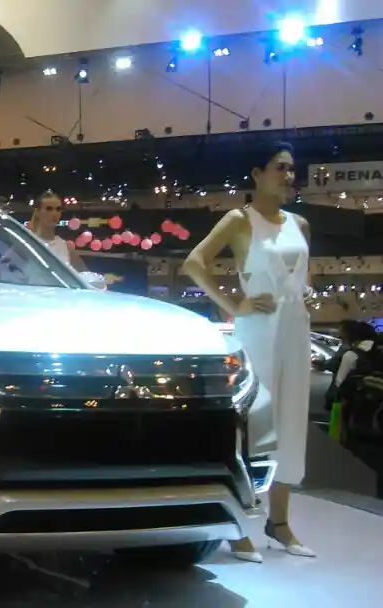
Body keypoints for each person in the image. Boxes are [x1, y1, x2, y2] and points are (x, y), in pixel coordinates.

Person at [183, 141, 315, 562]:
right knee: (250, 424)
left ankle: (279, 522)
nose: (288, 176)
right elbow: (194, 262)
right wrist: (233, 304)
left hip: (295, 331)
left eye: (292, 168)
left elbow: (302, 276)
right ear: (257, 174)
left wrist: (303, 296)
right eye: (280, 168)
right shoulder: (240, 220)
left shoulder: (300, 224)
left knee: (291, 421)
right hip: (257, 330)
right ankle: (237, 523)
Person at [28, 190, 87, 271]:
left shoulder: (66, 248)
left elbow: (84, 274)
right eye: (49, 209)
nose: (54, 213)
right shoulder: (26, 243)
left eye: (58, 209)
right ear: (38, 212)